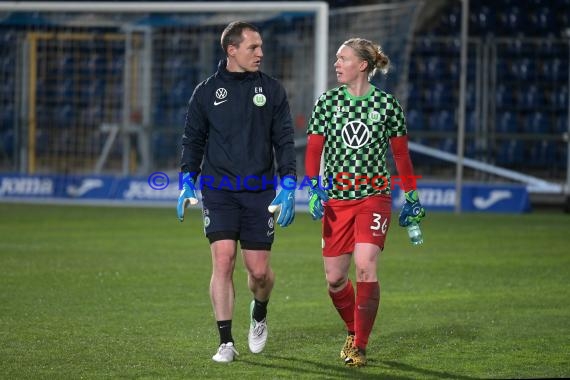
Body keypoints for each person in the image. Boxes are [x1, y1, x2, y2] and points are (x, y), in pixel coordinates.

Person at [177, 21, 297, 363]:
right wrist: (187, 179)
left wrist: (288, 183)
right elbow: (192, 140)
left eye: (260, 47)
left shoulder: (272, 90)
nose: (260, 53)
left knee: (259, 272)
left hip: (260, 192)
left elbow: (284, 141)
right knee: (223, 259)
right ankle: (226, 341)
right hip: (218, 190)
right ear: (232, 50)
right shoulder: (205, 92)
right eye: (253, 47)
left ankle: (259, 311)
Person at [304, 37, 426, 367]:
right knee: (335, 279)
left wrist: (412, 195)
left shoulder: (388, 106)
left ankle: (359, 345)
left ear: (362, 65)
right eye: (336, 58)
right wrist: (314, 188)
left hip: (374, 197)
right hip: (337, 200)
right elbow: (314, 150)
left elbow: (401, 155)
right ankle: (351, 329)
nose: (336, 64)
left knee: (366, 264)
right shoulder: (326, 102)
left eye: (342, 58)